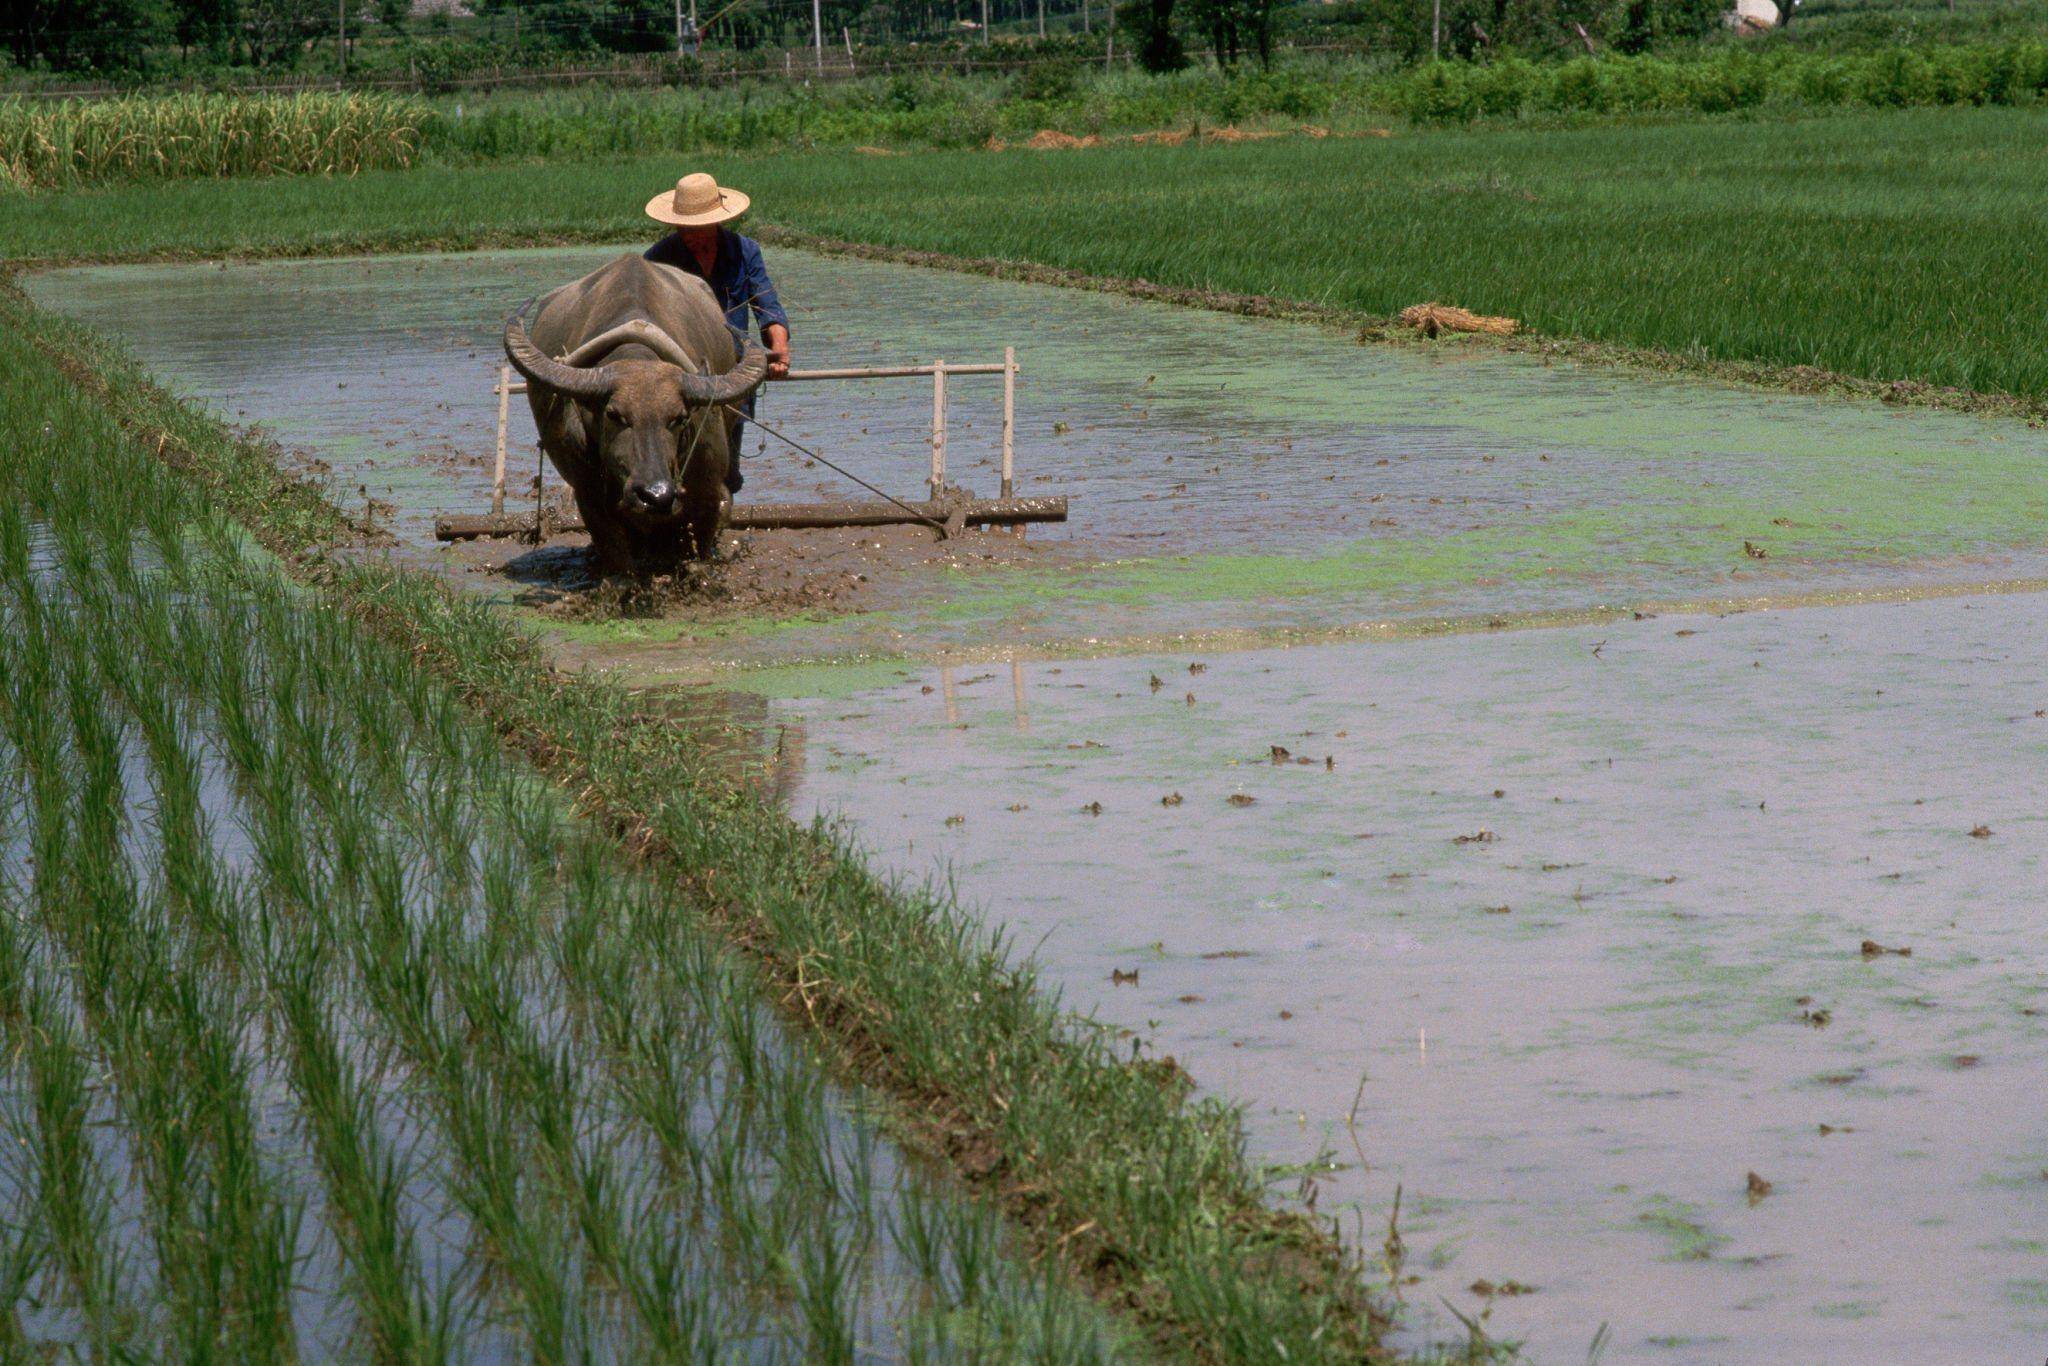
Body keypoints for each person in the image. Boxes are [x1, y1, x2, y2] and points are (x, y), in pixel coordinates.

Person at [643, 172, 791, 493]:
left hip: (731, 379)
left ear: (716, 222)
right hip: (678, 378)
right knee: (677, 465)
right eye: (685, 228)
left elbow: (768, 307)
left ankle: (716, 530)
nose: (691, 235)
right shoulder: (658, 260)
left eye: (698, 228)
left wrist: (779, 351)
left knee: (724, 470)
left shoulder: (744, 252)